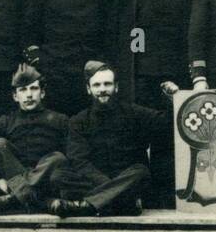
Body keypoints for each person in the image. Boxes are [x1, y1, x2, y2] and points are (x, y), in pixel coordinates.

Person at [59, 61, 170, 216]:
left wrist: (171, 98)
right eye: (96, 85)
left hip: (128, 178)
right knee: (60, 176)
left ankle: (88, 206)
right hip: (101, 182)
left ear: (116, 87)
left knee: (141, 172)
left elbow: (164, 122)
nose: (102, 90)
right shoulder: (78, 121)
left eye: (107, 84)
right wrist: (110, 187)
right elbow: (79, 161)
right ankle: (122, 203)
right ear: (88, 89)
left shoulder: (134, 112)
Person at [0, 65, 73, 216]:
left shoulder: (60, 120)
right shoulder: (6, 121)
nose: (29, 95)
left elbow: (73, 154)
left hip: (47, 181)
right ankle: (38, 201)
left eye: (33, 89)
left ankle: (13, 200)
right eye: (23, 90)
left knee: (57, 157)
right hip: (13, 179)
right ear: (15, 96)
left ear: (42, 93)